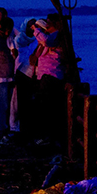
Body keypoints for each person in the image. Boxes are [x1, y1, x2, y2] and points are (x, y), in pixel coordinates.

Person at [32, 14, 69, 143]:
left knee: (48, 108)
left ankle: (50, 137)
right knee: (43, 107)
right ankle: (46, 136)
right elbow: (36, 55)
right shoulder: (49, 37)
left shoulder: (56, 35)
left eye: (48, 23)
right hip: (44, 76)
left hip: (51, 75)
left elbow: (47, 41)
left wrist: (36, 29)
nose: (46, 25)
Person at [11, 18, 38, 134]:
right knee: (15, 102)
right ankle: (14, 126)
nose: (32, 28)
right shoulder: (18, 39)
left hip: (30, 73)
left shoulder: (37, 40)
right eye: (30, 26)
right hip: (19, 71)